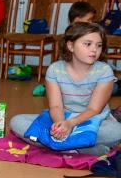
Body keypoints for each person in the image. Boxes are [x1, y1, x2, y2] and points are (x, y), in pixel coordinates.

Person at [10, 22, 121, 156]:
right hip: (62, 117)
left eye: (99, 45)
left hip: (92, 120)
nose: (94, 50)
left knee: (117, 131)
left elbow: (94, 110)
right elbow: (56, 106)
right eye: (88, 44)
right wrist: (60, 125)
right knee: (17, 121)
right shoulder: (55, 69)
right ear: (71, 46)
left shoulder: (104, 71)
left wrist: (70, 124)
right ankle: (81, 147)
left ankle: (57, 144)